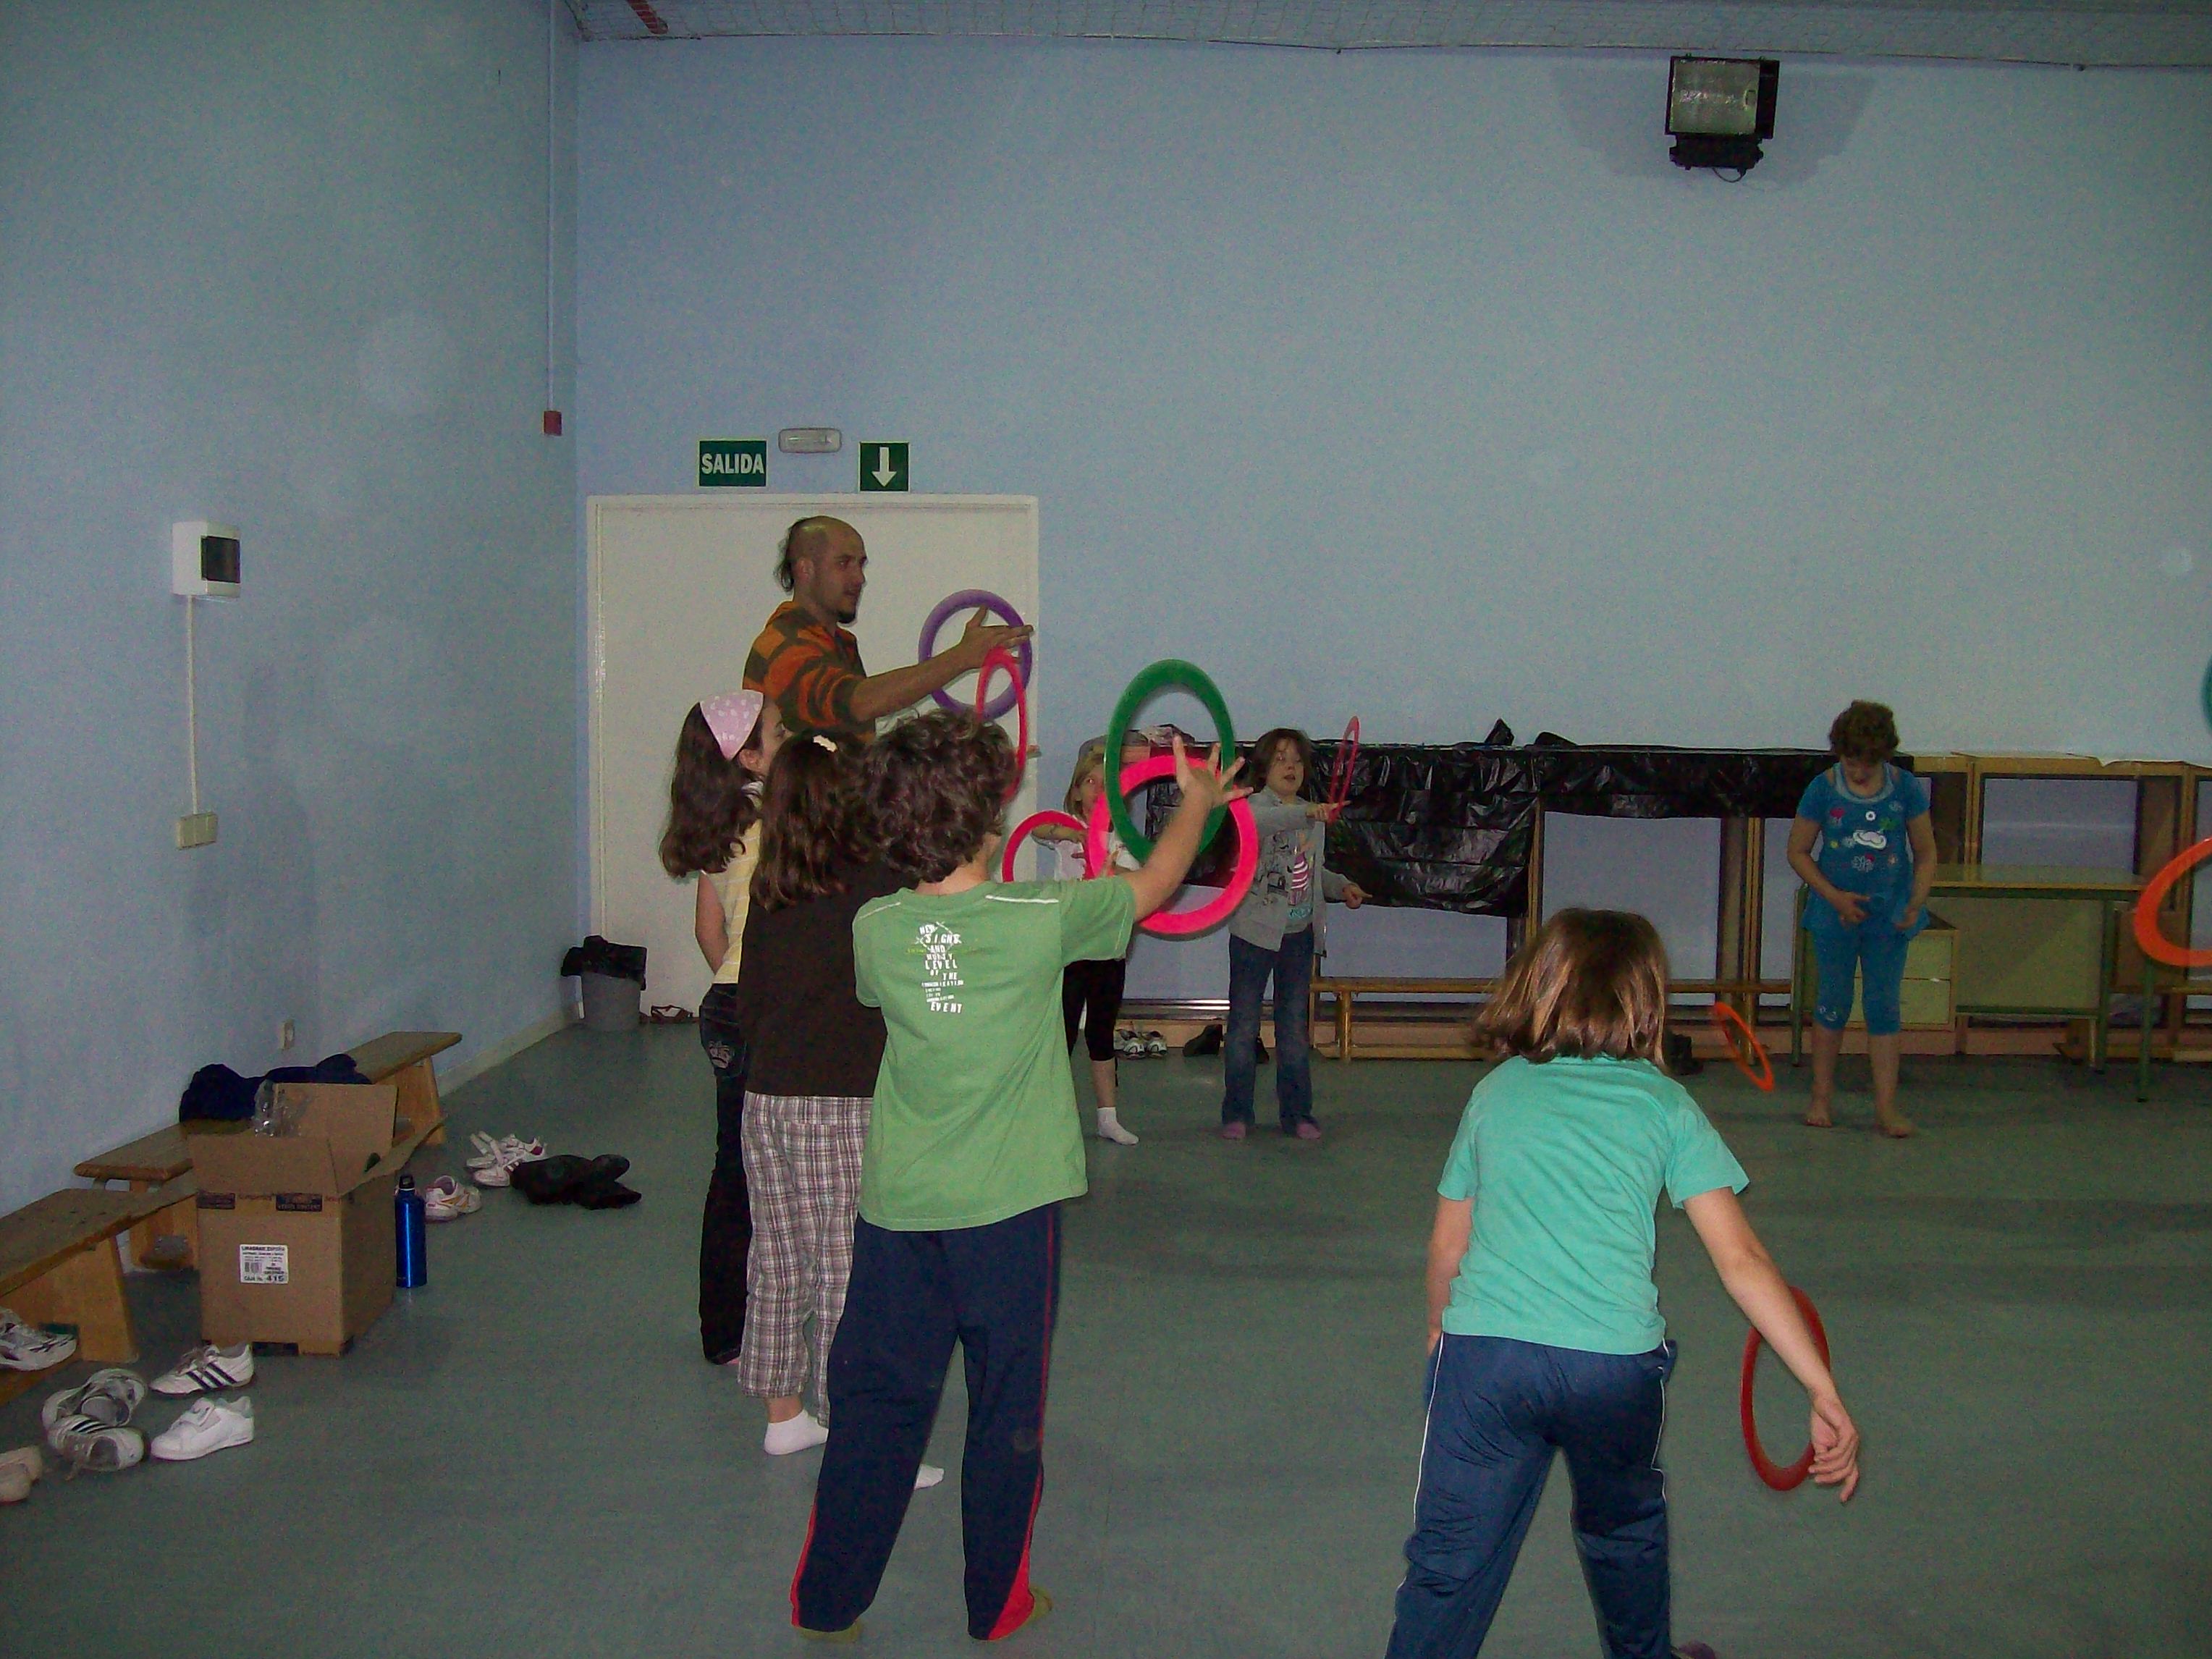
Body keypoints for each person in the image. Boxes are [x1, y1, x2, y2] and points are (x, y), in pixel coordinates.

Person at [789, 715, 1246, 1643]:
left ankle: (827, 1602)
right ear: (989, 820)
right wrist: (1195, 802)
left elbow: (895, 991)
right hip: (1007, 1217)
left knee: (876, 1403)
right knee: (1005, 1408)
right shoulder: (1043, 917)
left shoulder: (875, 927)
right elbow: (1155, 883)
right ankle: (994, 1603)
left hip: (899, 1212)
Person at [1389, 910, 1859, 1659]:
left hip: (1488, 1362)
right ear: (1646, 1003)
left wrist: (1440, 1333)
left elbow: (1448, 1245)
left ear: (1539, 988)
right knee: (1623, 1535)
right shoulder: (1664, 1103)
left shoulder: (1497, 1092)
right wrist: (1820, 1387)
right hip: (1610, 1371)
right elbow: (1742, 1261)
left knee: (1449, 1563)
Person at [728, 738, 946, 1485]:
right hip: (841, 1104)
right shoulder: (876, 883)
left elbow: (749, 1001)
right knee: (846, 1271)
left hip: (767, 1100)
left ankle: (784, 1416)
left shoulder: (773, 885)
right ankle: (862, 1438)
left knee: (777, 1260)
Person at [658, 690, 783, 1364]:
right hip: (767, 1007)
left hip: (725, 1005)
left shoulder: (722, 828)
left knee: (731, 1165)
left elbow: (710, 931)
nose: (790, 738)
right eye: (779, 731)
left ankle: (723, 1330)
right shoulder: (779, 820)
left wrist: (734, 983)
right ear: (752, 757)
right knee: (778, 1168)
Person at [743, 515, 1032, 742]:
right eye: (843, 563)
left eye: (860, 564)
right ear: (805, 569)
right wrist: (961, 657)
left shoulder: (839, 643)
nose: (859, 578)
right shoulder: (783, 646)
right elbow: (859, 702)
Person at [1786, 700, 1934, 1138]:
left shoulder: (1905, 789)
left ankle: (1886, 1107)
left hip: (1888, 915)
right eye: (1851, 763)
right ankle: (1821, 1097)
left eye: (1869, 764)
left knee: (1883, 1006)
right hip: (1835, 916)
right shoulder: (1823, 788)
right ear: (1840, 755)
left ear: (1885, 757)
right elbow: (1798, 851)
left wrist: (1915, 901)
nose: (1860, 772)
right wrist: (1833, 896)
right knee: (1832, 1001)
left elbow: (1926, 852)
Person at [1220, 727, 1365, 1141]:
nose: (1291, 767)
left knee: (1294, 1028)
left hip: (1298, 936)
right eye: (1281, 759)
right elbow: (1262, 825)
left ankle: (1298, 1113)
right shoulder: (1252, 807)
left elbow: (1315, 871)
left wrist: (1342, 887)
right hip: (1254, 934)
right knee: (1243, 1026)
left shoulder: (1310, 814)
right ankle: (1237, 1113)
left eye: (1298, 761)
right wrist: (1310, 814)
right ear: (1264, 768)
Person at [1030, 738, 1141, 1145]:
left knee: (1101, 1032)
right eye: (1089, 782)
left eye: (1104, 784)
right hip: (1069, 948)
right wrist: (1073, 833)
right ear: (1076, 791)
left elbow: (1138, 882)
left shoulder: (1122, 839)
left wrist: (1106, 868)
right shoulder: (1065, 829)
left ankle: (1107, 1116)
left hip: (1107, 948)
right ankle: (1048, 1116)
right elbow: (1037, 829)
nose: (1096, 790)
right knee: (1061, 1033)